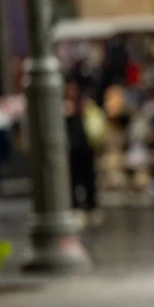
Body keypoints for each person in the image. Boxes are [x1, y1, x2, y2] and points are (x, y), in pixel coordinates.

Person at [63, 78, 102, 227]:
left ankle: (92, 207)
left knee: (89, 178)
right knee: (73, 180)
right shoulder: (64, 107)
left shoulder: (85, 105)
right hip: (71, 151)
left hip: (86, 148)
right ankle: (76, 208)